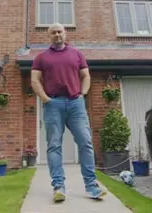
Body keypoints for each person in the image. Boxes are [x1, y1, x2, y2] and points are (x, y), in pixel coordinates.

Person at [31, 22, 107, 202]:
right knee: (54, 145)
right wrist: (45, 99)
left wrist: (83, 94)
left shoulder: (77, 54)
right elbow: (35, 80)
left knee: (85, 142)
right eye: (53, 32)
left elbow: (86, 76)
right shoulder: (41, 57)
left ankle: (91, 186)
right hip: (53, 104)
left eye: (60, 32)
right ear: (48, 36)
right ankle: (58, 186)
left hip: (75, 103)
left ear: (65, 34)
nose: (57, 35)